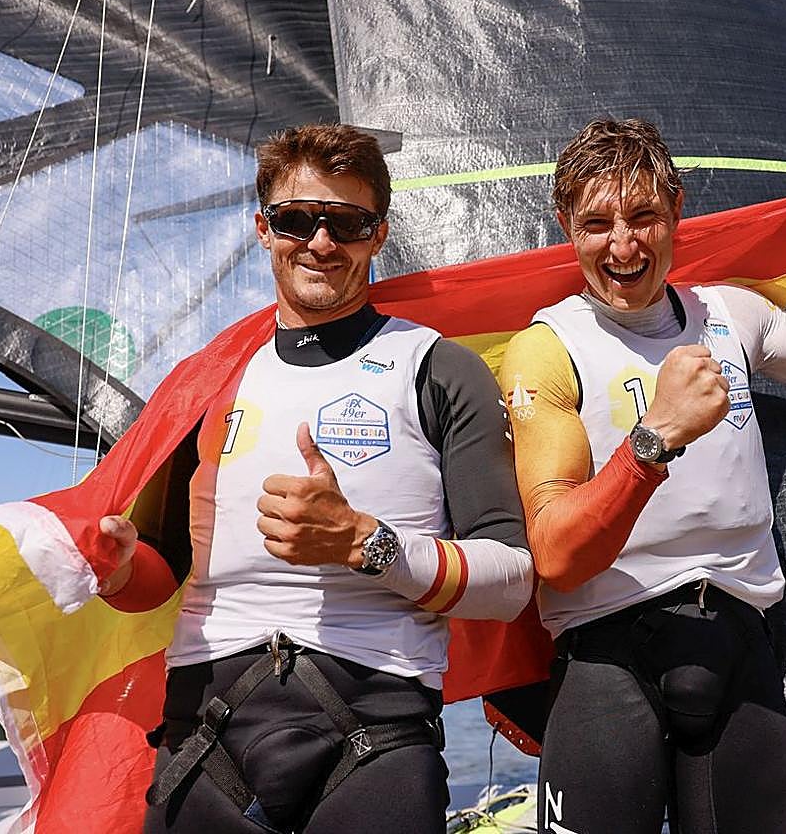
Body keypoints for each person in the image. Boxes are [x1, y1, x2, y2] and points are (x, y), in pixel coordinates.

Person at [94, 123, 533, 834]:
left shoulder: (439, 368)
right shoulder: (208, 379)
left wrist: (365, 544)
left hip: (376, 732)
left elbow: (512, 582)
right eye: (298, 220)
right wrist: (116, 570)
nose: (322, 243)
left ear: (378, 234)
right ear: (264, 230)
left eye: (348, 223)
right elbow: (160, 570)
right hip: (205, 730)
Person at [499, 118, 786, 834]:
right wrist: (654, 440)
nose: (623, 246)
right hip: (608, 652)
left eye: (643, 217)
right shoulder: (545, 348)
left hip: (741, 646)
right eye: (596, 224)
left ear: (676, 210)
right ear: (566, 226)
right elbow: (557, 555)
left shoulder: (730, 315)